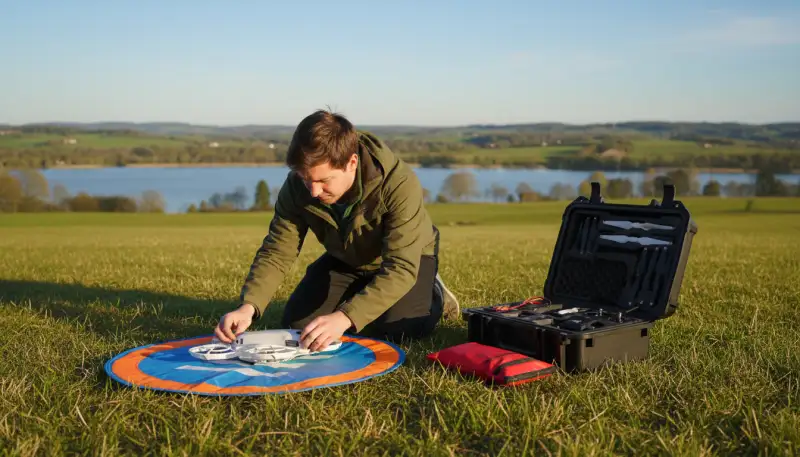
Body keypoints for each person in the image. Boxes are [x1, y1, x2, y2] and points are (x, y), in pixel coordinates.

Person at [214, 109, 460, 351]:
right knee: (299, 327)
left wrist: (344, 317)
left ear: (351, 163)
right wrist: (249, 306)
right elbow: (277, 250)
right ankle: (361, 293)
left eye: (323, 181)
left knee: (399, 329)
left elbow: (401, 268)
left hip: (408, 259)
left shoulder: (399, 183)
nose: (313, 191)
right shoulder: (297, 187)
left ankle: (435, 292)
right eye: (304, 178)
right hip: (347, 257)